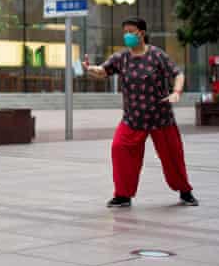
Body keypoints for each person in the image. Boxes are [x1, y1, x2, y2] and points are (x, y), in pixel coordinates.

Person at [83, 16, 198, 208]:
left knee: (173, 156)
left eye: (130, 31)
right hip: (133, 118)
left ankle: (185, 192)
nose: (127, 35)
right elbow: (103, 71)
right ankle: (123, 195)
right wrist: (90, 69)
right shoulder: (122, 58)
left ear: (141, 33)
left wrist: (177, 92)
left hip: (161, 117)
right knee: (119, 149)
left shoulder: (157, 55)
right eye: (125, 32)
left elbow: (177, 73)